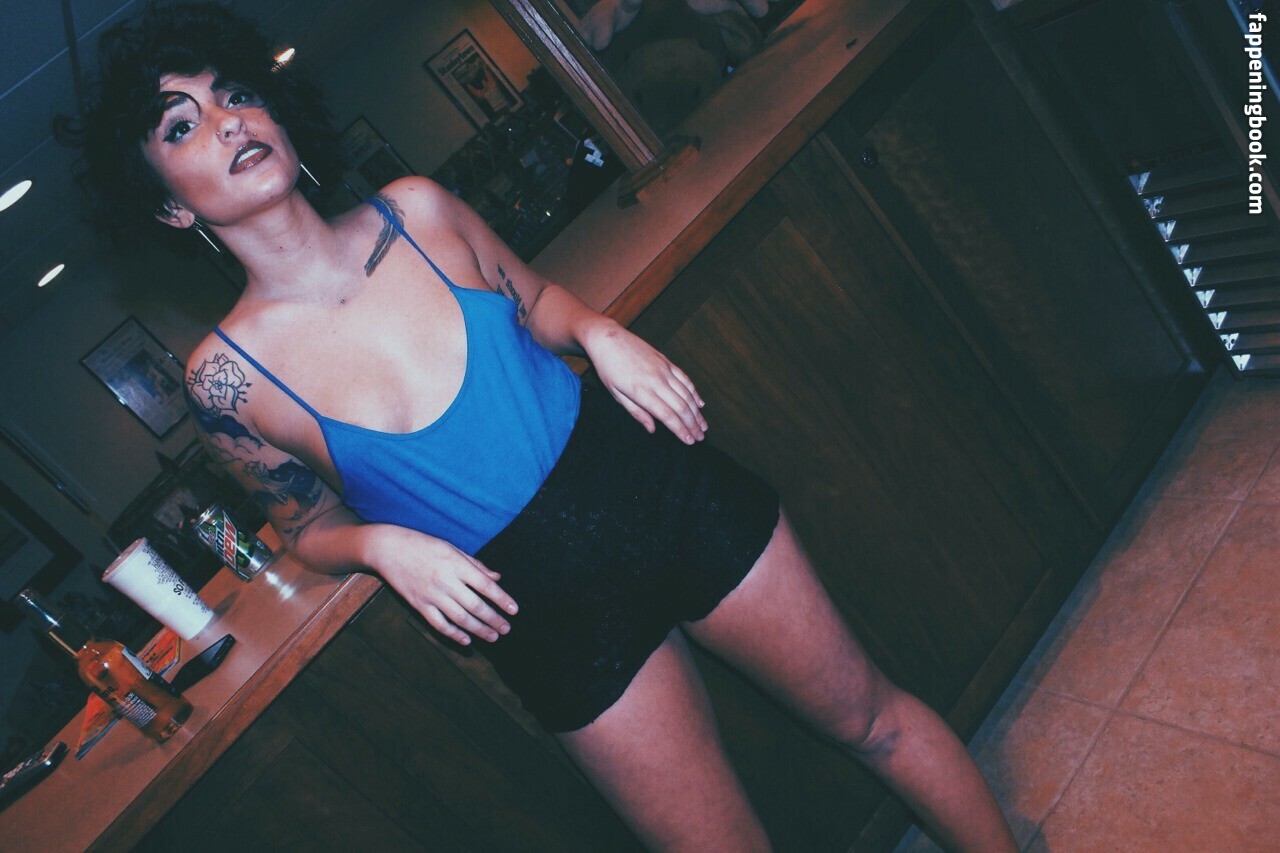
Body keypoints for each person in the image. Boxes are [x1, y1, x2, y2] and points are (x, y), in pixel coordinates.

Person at [77, 4, 1017, 850]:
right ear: (167, 203)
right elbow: (307, 529)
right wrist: (382, 546)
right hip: (537, 606)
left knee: (873, 720)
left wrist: (600, 332)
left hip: (649, 483)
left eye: (237, 94)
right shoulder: (225, 382)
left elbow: (537, 301)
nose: (229, 120)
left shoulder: (417, 210)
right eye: (181, 124)